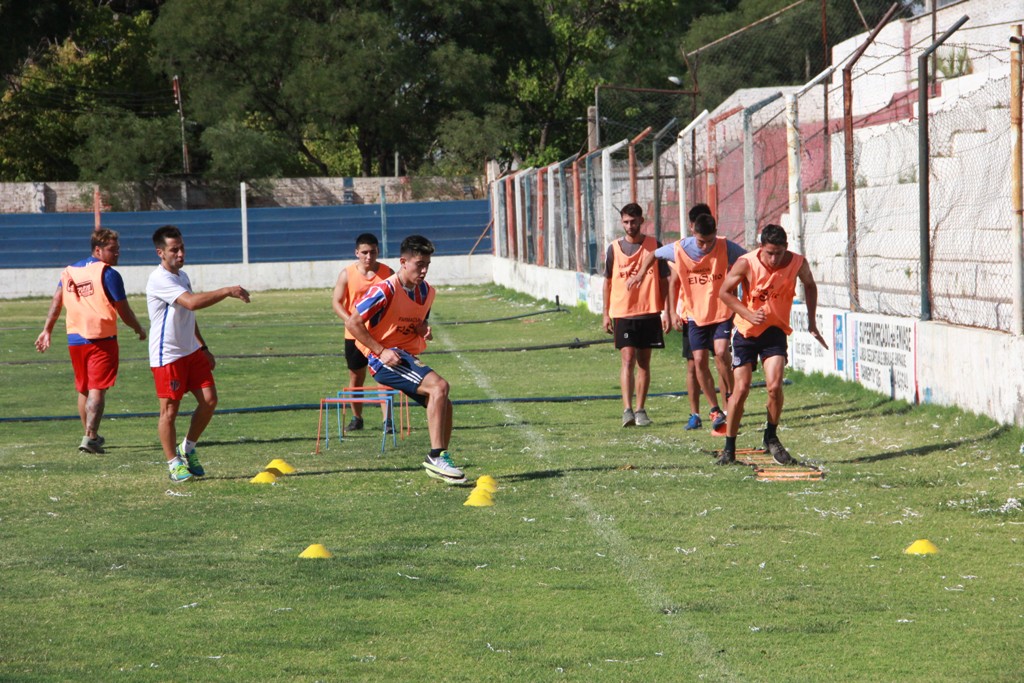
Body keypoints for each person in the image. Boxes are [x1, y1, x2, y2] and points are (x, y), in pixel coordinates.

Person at [344, 234, 465, 484]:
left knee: (444, 404)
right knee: (440, 387)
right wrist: (380, 351)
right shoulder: (384, 290)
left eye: (427, 265)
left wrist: (423, 330)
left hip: (405, 355)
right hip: (387, 359)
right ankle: (436, 457)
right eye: (419, 264)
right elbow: (353, 322)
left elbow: (419, 322)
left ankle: (441, 458)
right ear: (403, 262)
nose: (423, 270)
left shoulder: (427, 292)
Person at [716, 224, 827, 466]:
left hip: (775, 331)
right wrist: (747, 313)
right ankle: (729, 448)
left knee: (775, 386)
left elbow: (810, 285)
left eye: (778, 252)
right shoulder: (746, 262)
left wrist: (811, 321)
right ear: (760, 248)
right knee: (741, 389)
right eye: (769, 253)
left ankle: (771, 436)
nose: (774, 258)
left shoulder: (798, 262)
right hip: (746, 333)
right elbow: (724, 293)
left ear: (786, 247)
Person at [146, 225, 251, 482]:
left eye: (182, 248)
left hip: (191, 351)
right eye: (174, 249)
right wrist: (227, 291)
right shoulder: (160, 279)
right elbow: (191, 303)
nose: (180, 253)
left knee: (209, 400)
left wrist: (202, 347)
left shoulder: (182, 276)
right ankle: (173, 464)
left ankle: (187, 449)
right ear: (160, 252)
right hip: (168, 356)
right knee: (169, 411)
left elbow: (189, 315)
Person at [630, 210, 744, 433]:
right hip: (695, 315)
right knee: (698, 360)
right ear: (693, 231)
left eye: (709, 241)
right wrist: (641, 273)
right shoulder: (679, 249)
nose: (705, 246)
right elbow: (652, 255)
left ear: (716, 234)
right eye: (701, 242)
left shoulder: (725, 246)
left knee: (721, 353)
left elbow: (747, 262)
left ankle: (731, 394)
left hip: (721, 312)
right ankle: (713, 409)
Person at [35, 228, 146, 454]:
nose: (117, 254)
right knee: (97, 389)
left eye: (118, 249)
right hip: (101, 338)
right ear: (98, 250)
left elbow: (57, 301)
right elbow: (123, 310)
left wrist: (47, 329)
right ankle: (91, 437)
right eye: (112, 250)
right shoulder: (108, 274)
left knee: (84, 388)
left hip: (75, 338)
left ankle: (88, 433)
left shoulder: (69, 271)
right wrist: (138, 328)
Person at [602, 203, 670, 427]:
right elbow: (608, 282)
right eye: (625, 222)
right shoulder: (613, 249)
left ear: (642, 220)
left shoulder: (654, 246)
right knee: (627, 359)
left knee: (643, 363)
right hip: (623, 313)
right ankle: (627, 410)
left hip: (649, 312)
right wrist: (605, 313)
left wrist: (667, 311)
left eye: (633, 221)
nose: (630, 226)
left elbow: (663, 282)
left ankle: (641, 409)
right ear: (622, 222)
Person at [331, 233, 394, 432]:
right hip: (354, 335)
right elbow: (336, 302)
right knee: (356, 378)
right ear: (357, 252)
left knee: (383, 376)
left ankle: (388, 421)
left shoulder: (387, 273)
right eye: (364, 252)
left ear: (378, 252)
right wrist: (350, 321)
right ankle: (357, 418)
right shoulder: (347, 274)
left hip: (380, 335)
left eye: (372, 252)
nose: (368, 256)